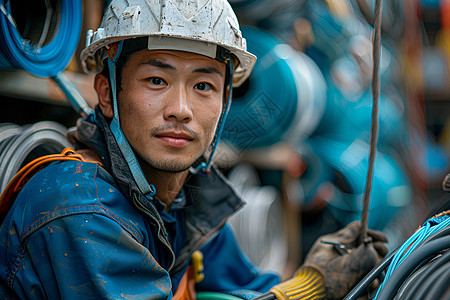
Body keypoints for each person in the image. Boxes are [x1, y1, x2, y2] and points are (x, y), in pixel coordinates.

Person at [0, 0, 387, 299]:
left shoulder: (181, 198)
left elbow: (246, 288)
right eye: (156, 79)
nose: (181, 110)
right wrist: (308, 288)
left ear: (224, 103)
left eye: (203, 86)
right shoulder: (76, 208)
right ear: (106, 94)